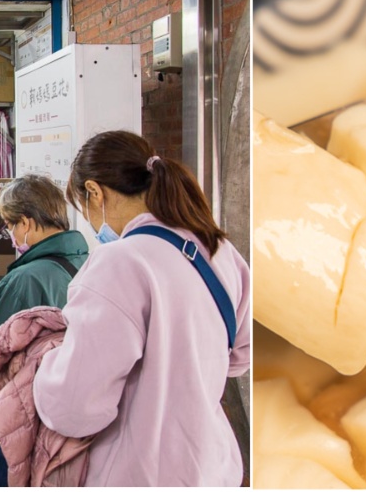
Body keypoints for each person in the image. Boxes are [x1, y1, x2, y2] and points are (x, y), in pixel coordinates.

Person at [34, 131, 252, 486]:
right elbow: (240, 357)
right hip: (212, 467)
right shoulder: (220, 251)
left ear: (95, 192)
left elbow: (74, 407)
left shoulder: (119, 262)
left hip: (140, 472)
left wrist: (47, 360)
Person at [0, 174, 89, 486]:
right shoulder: (85, 261)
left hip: (19, 414)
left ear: (27, 223)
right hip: (65, 412)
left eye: (9, 224)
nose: (9, 233)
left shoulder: (26, 278)